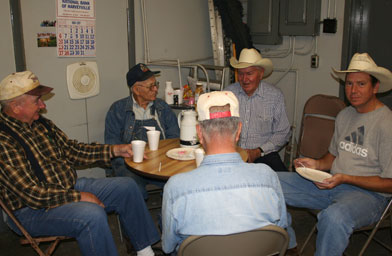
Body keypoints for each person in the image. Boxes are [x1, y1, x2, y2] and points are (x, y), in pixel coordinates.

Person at [0, 71, 160, 256]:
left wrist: (115, 150)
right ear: (15, 106)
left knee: (127, 187)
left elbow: (71, 150)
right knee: (91, 215)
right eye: (37, 101)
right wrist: (78, 197)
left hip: (67, 187)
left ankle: (145, 252)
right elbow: (31, 193)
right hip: (32, 211)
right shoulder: (4, 140)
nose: (43, 106)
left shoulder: (40, 124)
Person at [278, 53, 392, 256]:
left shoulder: (386, 123)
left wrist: (346, 178)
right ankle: (290, 245)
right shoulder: (344, 115)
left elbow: (389, 183)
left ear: (375, 88)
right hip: (332, 184)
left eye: (361, 84)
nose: (353, 90)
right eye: (349, 84)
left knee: (334, 217)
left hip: (370, 197)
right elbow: (332, 157)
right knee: (270, 181)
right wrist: (314, 164)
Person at [161, 91, 288, 254]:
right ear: (239, 130)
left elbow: (168, 246)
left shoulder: (176, 187)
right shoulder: (268, 176)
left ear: (199, 133)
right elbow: (281, 226)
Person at [105, 63, 179, 199]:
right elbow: (112, 144)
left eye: (156, 84)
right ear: (136, 90)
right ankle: (141, 220)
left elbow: (175, 138)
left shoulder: (162, 107)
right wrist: (132, 159)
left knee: (177, 185)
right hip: (130, 167)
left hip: (161, 164)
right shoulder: (118, 110)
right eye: (151, 86)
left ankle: (166, 219)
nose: (156, 89)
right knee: (133, 189)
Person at [226, 48, 291, 172]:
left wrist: (259, 151)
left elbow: (283, 132)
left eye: (249, 73)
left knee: (283, 182)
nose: (244, 79)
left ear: (260, 74)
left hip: (263, 155)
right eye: (240, 74)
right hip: (233, 155)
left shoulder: (274, 96)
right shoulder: (228, 94)